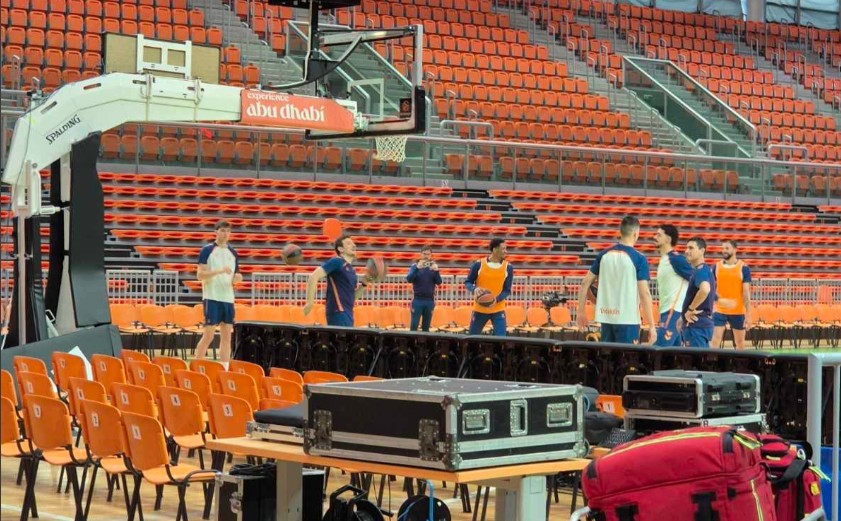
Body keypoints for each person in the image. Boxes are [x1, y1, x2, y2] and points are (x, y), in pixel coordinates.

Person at [577, 216, 656, 345]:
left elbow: (585, 283)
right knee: (626, 357)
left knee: (608, 356)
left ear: (620, 232)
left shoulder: (603, 255)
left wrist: (580, 312)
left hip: (606, 318)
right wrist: (652, 326)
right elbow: (644, 293)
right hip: (628, 320)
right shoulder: (639, 258)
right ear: (636, 234)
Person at [194, 220, 242, 366]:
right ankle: (196, 366)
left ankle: (225, 368)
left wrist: (237, 278)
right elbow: (200, 275)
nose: (225, 234)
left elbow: (236, 274)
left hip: (228, 298)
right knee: (208, 335)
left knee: (227, 337)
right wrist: (219, 271)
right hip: (212, 297)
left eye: (228, 231)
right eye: (222, 230)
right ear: (216, 232)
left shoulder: (233, 253)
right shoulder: (207, 250)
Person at [303, 234, 373, 327]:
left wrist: (363, 284)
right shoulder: (337, 261)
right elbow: (313, 276)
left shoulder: (351, 269)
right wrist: (310, 302)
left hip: (348, 313)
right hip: (338, 311)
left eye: (353, 243)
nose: (354, 245)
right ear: (340, 249)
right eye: (348, 243)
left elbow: (353, 297)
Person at [464, 238, 514, 336]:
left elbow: (507, 290)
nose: (506, 251)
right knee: (472, 338)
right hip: (480, 309)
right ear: (494, 249)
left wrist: (496, 299)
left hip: (498, 309)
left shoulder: (508, 267)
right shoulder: (478, 264)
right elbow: (468, 282)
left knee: (501, 339)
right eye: (503, 249)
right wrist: (474, 289)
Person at [653, 224, 693, 346]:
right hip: (666, 312)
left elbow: (698, 280)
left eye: (659, 235)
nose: (654, 237)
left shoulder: (676, 259)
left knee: (658, 350)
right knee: (674, 353)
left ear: (668, 239)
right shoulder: (663, 260)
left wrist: (716, 298)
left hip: (673, 312)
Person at [711, 240, 752, 349]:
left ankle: (739, 360)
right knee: (715, 341)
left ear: (735, 250)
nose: (724, 250)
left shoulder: (743, 268)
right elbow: (710, 287)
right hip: (720, 310)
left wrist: (748, 314)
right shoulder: (716, 267)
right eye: (722, 248)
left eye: (727, 248)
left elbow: (746, 292)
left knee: (740, 343)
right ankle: (711, 359)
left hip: (737, 310)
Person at [679, 237, 716, 348]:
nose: (686, 251)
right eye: (686, 248)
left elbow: (705, 289)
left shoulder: (700, 270)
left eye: (691, 248)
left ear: (702, 251)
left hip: (696, 327)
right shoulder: (703, 270)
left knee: (696, 358)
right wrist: (682, 318)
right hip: (700, 325)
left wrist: (690, 310)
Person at [406, 246, 442, 331]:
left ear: (431, 255)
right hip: (417, 299)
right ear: (420, 254)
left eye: (428, 254)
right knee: (414, 325)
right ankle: (412, 340)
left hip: (429, 300)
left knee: (426, 327)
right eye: (424, 254)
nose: (426, 256)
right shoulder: (415, 266)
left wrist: (437, 271)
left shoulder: (433, 267)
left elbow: (439, 282)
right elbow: (409, 279)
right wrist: (417, 269)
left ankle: (424, 340)